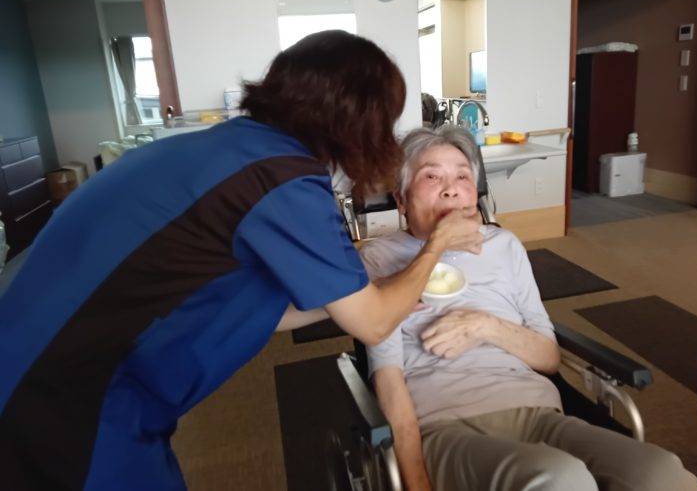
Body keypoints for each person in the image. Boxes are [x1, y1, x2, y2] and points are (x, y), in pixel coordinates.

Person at [0, 31, 482, 490]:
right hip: (71, 396)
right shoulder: (282, 178)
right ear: (361, 121)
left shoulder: (233, 149)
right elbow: (374, 324)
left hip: (41, 360)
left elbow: (258, 308)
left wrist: (375, 289)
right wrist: (435, 246)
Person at [362, 125, 697, 491]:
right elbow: (387, 380)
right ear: (401, 200)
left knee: (662, 472)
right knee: (559, 478)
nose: (450, 188)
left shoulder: (504, 245)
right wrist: (416, 482)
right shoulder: (380, 260)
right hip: (442, 423)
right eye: (432, 176)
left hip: (537, 412)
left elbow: (548, 358)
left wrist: (484, 325)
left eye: (462, 176)